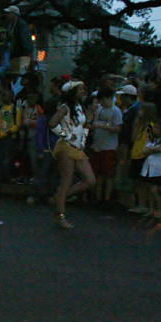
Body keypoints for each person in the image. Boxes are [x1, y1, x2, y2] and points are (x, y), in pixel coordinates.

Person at [48, 80, 95, 229]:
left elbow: (85, 125)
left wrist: (83, 140)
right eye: (80, 89)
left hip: (77, 148)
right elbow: (52, 123)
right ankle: (60, 215)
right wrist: (65, 136)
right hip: (66, 147)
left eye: (83, 89)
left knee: (90, 180)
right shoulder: (65, 107)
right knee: (66, 180)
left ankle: (61, 197)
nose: (83, 91)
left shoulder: (79, 107)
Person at [88, 87, 122, 205]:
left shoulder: (116, 111)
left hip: (109, 147)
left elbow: (118, 128)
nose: (101, 103)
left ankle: (107, 198)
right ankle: (97, 197)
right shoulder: (100, 110)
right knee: (98, 173)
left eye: (102, 100)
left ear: (108, 98)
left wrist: (101, 126)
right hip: (97, 146)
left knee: (108, 174)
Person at [140, 118, 161, 220]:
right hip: (149, 167)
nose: (155, 129)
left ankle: (160, 211)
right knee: (150, 189)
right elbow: (145, 150)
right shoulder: (154, 139)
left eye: (157, 128)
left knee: (154, 189)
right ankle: (151, 209)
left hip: (159, 169)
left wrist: (151, 149)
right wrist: (153, 149)